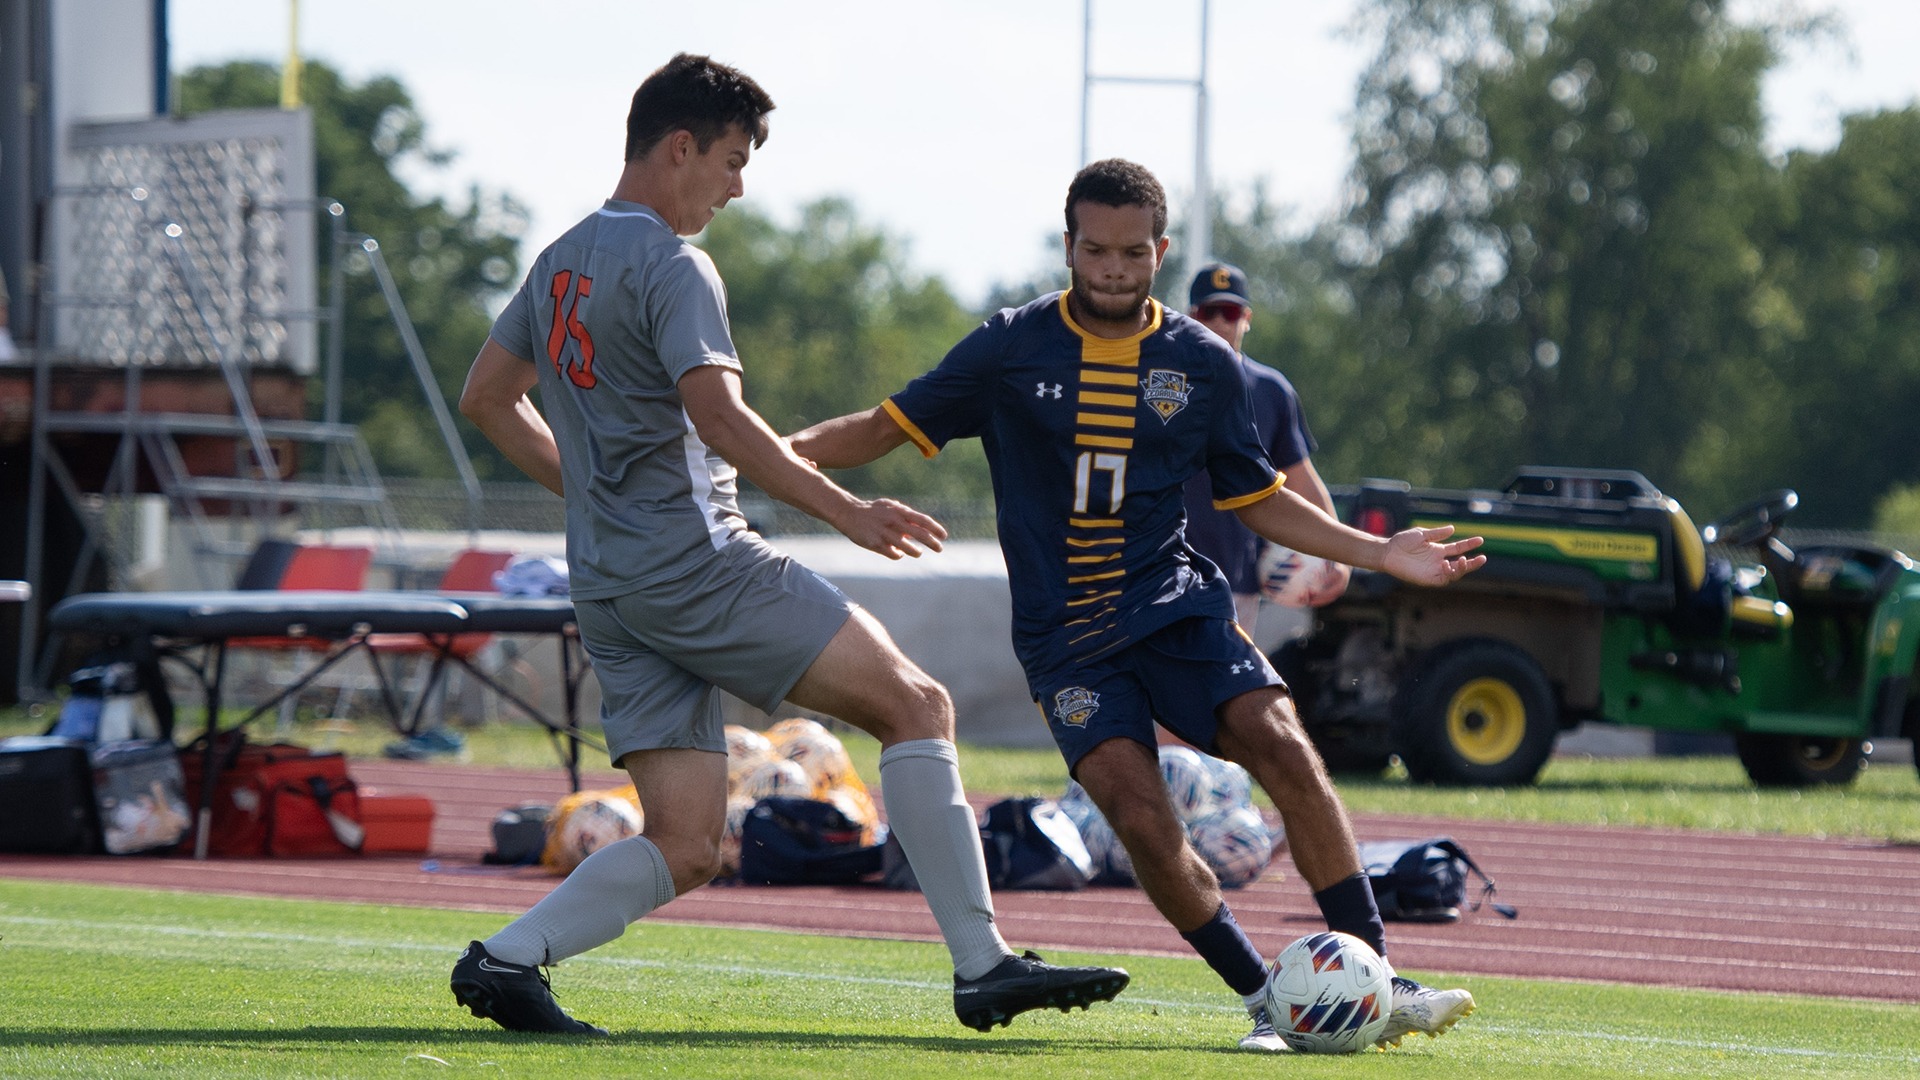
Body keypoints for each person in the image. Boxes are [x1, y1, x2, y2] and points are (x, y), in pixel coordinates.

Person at [450, 53, 1128, 1037]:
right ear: (679, 146)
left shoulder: (559, 258)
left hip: (612, 588)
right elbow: (722, 420)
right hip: (702, 567)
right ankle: (983, 967)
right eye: (730, 160)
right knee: (916, 704)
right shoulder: (674, 263)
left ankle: (506, 960)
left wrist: (596, 502)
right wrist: (847, 511)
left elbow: (486, 399)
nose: (736, 186)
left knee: (685, 842)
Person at [788, 158, 1486, 1052]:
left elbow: (1258, 495)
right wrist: (765, 451)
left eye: (1132, 253)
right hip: (1067, 643)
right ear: (1069, 244)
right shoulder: (1009, 347)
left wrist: (1375, 550)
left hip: (1177, 608)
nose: (1112, 269)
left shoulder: (1202, 362)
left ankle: (1381, 981)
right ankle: (1267, 1000)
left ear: (1159, 251)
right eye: (1094, 250)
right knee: (1143, 820)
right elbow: (881, 426)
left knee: (1289, 753)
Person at [1180, 263, 1349, 628]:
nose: (1222, 322)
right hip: (1165, 578)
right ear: (1191, 316)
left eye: (1232, 311)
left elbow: (1301, 480)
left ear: (1247, 318)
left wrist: (1341, 556)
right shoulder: (1165, 383)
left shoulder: (1271, 391)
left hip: (1236, 584)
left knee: (1231, 686)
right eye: (1211, 311)